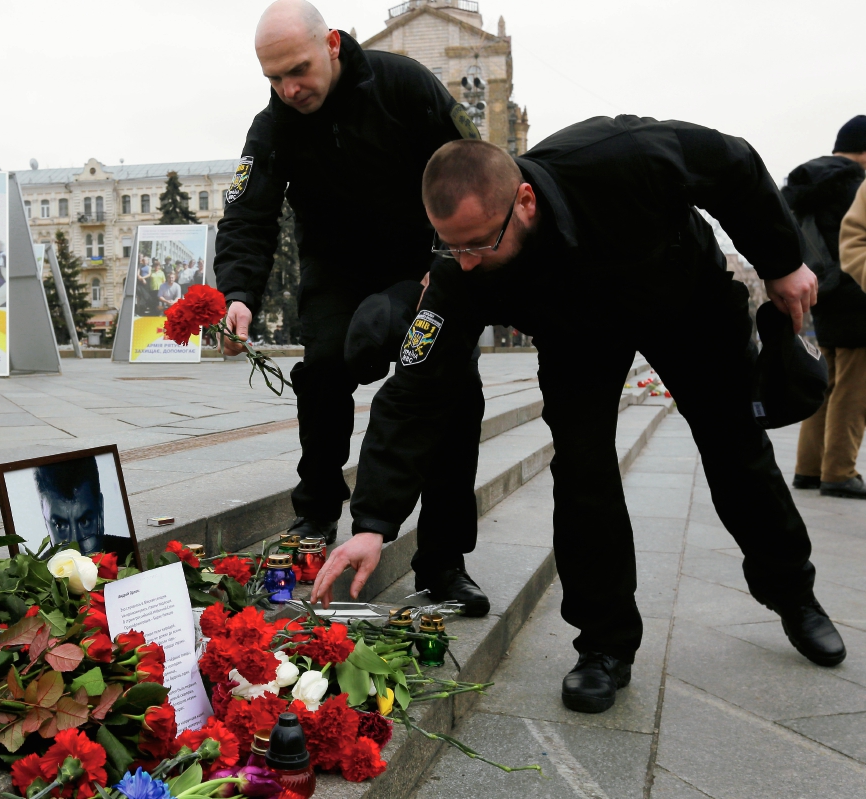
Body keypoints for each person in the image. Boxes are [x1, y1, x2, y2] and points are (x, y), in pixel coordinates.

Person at [313, 119, 847, 715]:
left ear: (525, 200)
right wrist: (373, 522)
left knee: (735, 449)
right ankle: (603, 646)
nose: (463, 263)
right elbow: (414, 390)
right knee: (583, 473)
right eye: (450, 246)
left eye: (479, 245)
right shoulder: (458, 269)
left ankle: (794, 594)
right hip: (578, 337)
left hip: (681, 297)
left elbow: (732, 163)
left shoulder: (619, 157)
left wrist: (781, 261)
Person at [213, 0, 488, 608]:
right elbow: (247, 213)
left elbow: (473, 172)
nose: (290, 89)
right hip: (337, 271)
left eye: (299, 70)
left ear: (332, 44)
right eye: (274, 79)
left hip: (427, 266)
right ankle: (314, 517)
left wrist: (447, 265)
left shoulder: (404, 86)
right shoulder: (273, 125)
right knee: (326, 370)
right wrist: (237, 293)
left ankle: (443, 561)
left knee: (452, 394)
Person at [787, 115, 866, 499]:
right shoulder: (854, 185)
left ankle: (808, 468)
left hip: (823, 296)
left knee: (828, 386)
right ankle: (839, 471)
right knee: (854, 392)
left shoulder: (813, 182)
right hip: (858, 297)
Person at [35, 459, 105, 554]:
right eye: (60, 525)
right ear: (44, 517)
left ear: (100, 512)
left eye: (84, 522)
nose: (76, 550)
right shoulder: (27, 569)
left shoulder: (131, 554)